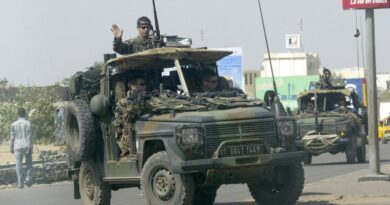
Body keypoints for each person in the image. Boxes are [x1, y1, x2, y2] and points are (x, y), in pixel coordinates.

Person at [10, 107, 33, 189]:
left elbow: (12, 137)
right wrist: (30, 147)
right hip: (26, 144)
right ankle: (29, 179)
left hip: (17, 146)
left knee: (18, 164)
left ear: (18, 114)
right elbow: (29, 137)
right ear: (25, 114)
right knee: (29, 162)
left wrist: (11, 147)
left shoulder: (13, 124)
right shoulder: (28, 123)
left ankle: (20, 183)